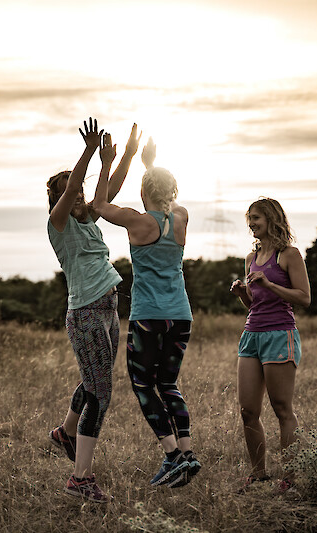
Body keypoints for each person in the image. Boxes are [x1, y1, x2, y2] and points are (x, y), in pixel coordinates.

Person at [92, 137, 200, 489]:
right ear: (172, 191)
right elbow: (168, 199)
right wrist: (150, 166)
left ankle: (173, 456)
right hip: (180, 314)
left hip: (149, 316)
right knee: (167, 384)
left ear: (143, 192)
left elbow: (99, 204)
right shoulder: (181, 217)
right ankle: (187, 453)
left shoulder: (136, 221)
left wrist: (107, 163)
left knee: (142, 383)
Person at [46, 118, 141, 503]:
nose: (79, 196)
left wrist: (123, 156)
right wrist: (88, 152)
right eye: (72, 192)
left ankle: (65, 433)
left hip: (107, 308)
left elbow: (109, 190)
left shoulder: (86, 218)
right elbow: (72, 188)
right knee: (100, 393)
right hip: (85, 312)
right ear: (59, 198)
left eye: (81, 192)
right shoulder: (58, 223)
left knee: (94, 382)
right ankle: (80, 479)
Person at [229, 198, 311, 494]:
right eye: (249, 218)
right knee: (248, 411)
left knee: (282, 409)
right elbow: (254, 303)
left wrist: (269, 284)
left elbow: (304, 298)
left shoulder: (289, 255)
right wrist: (243, 293)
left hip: (280, 334)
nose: (251, 223)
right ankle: (258, 476)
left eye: (256, 218)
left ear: (272, 219)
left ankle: (289, 480)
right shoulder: (251, 258)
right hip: (252, 335)